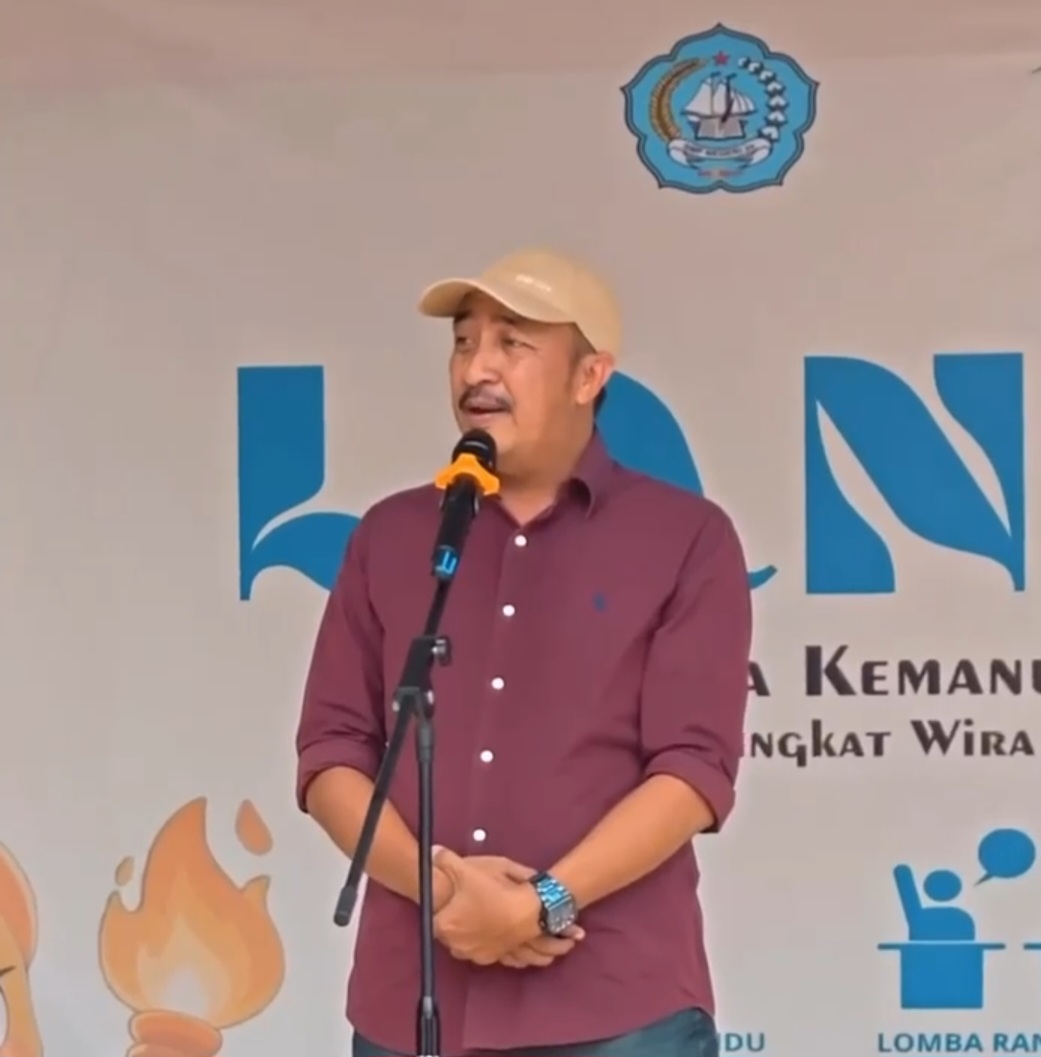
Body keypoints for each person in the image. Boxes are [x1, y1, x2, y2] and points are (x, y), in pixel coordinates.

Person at [294, 247, 752, 1057]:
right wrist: (441, 888)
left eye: (512, 342)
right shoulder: (392, 535)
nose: (478, 368)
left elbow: (692, 769)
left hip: (616, 1006)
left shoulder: (685, 538)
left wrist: (542, 900)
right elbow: (332, 751)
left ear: (588, 375)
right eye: (463, 343)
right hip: (413, 1005)